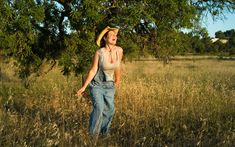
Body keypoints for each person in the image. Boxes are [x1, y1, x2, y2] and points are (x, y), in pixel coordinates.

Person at [76, 26, 123, 138]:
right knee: (99, 108)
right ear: (105, 39)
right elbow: (93, 70)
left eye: (115, 35)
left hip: (110, 86)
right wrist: (84, 87)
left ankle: (104, 133)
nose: (114, 36)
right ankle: (92, 136)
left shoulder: (119, 51)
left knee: (110, 110)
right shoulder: (99, 53)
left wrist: (117, 80)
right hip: (97, 85)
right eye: (111, 35)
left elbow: (118, 66)